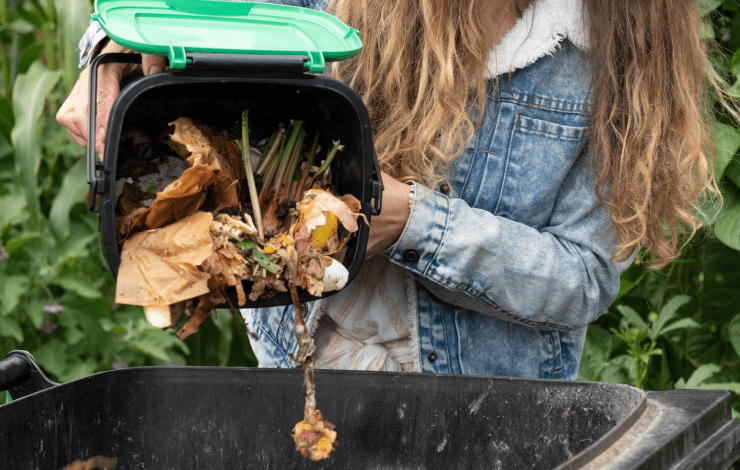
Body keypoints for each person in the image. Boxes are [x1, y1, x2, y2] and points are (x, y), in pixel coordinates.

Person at [58, 0, 725, 379]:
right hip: (311, 381)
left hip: (489, 413)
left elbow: (582, 278)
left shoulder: (619, 48)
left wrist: (416, 223)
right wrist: (111, 50)